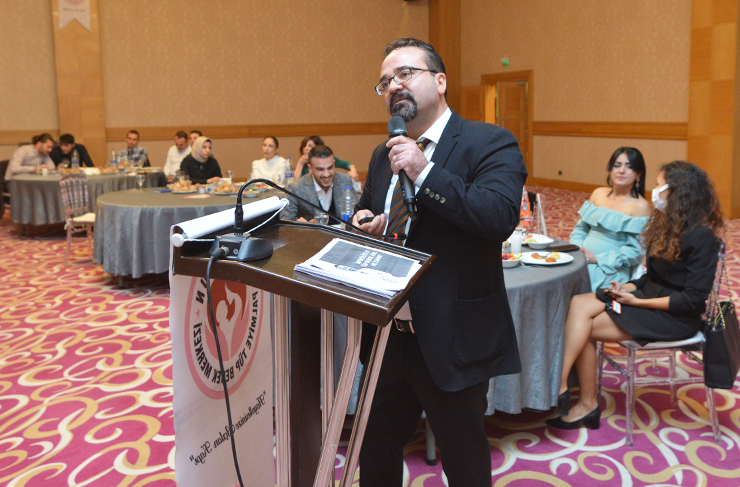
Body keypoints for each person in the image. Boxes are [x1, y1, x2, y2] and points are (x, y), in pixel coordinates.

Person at [352, 38, 527, 486]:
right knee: (375, 452)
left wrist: (424, 171)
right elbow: (371, 209)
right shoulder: (383, 154)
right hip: (387, 332)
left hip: (454, 335)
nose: (394, 85)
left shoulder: (489, 142)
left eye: (405, 74)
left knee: (464, 462)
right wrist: (365, 221)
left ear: (441, 81)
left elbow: (498, 217)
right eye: (385, 82)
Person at [547, 161, 723, 431]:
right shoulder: (666, 222)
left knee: (584, 328)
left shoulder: (701, 237)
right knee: (578, 304)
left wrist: (638, 301)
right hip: (646, 299)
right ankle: (561, 384)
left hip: (675, 317)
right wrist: (626, 288)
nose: (654, 191)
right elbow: (652, 277)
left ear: (677, 191)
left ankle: (580, 400)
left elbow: (692, 299)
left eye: (659, 185)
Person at [569, 147, 651, 292]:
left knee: (574, 284)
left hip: (611, 268)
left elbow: (634, 252)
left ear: (638, 174)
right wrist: (578, 250)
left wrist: (596, 259)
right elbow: (581, 229)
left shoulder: (640, 206)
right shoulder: (598, 194)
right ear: (610, 170)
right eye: (617, 165)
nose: (621, 171)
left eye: (629, 167)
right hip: (581, 258)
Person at [281, 144, 354, 222]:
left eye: (330, 168)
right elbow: (285, 221)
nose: (326, 174)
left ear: (334, 164)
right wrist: (300, 226)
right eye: (320, 169)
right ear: (310, 169)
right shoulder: (296, 188)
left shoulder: (345, 180)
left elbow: (358, 212)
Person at [294, 135, 360, 182]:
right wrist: (300, 163)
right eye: (304, 146)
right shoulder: (303, 162)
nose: (306, 148)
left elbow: (347, 164)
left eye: (310, 146)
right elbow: (296, 183)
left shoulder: (327, 159)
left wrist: (353, 170)